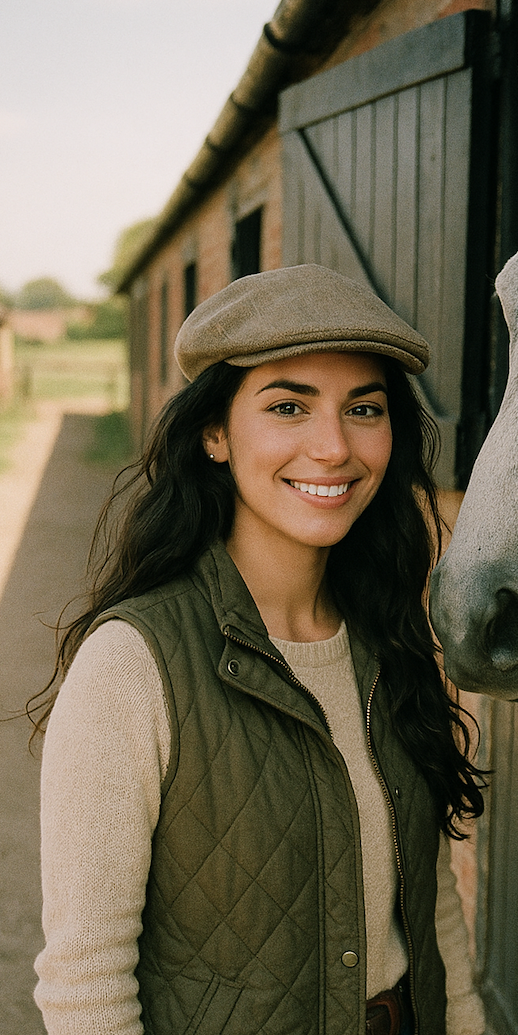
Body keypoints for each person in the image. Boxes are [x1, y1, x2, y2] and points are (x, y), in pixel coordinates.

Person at [30, 264, 487, 1035]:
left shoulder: (390, 640)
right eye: (288, 406)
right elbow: (85, 987)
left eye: (363, 409)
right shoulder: (131, 667)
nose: (334, 447)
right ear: (215, 432)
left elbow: (432, 908)